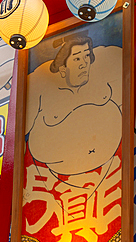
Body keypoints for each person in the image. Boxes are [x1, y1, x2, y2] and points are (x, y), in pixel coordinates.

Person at [26, 32, 123, 181]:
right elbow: (20, 133)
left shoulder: (108, 61)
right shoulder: (39, 82)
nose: (84, 63)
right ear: (63, 68)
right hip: (54, 180)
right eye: (77, 58)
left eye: (86, 56)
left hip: (115, 169)